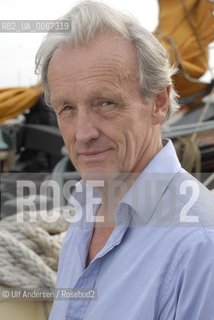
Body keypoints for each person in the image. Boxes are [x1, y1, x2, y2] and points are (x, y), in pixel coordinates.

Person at [35, 1, 214, 319]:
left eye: (105, 102)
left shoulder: (200, 247)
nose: (82, 133)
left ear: (158, 102)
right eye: (67, 108)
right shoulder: (86, 213)